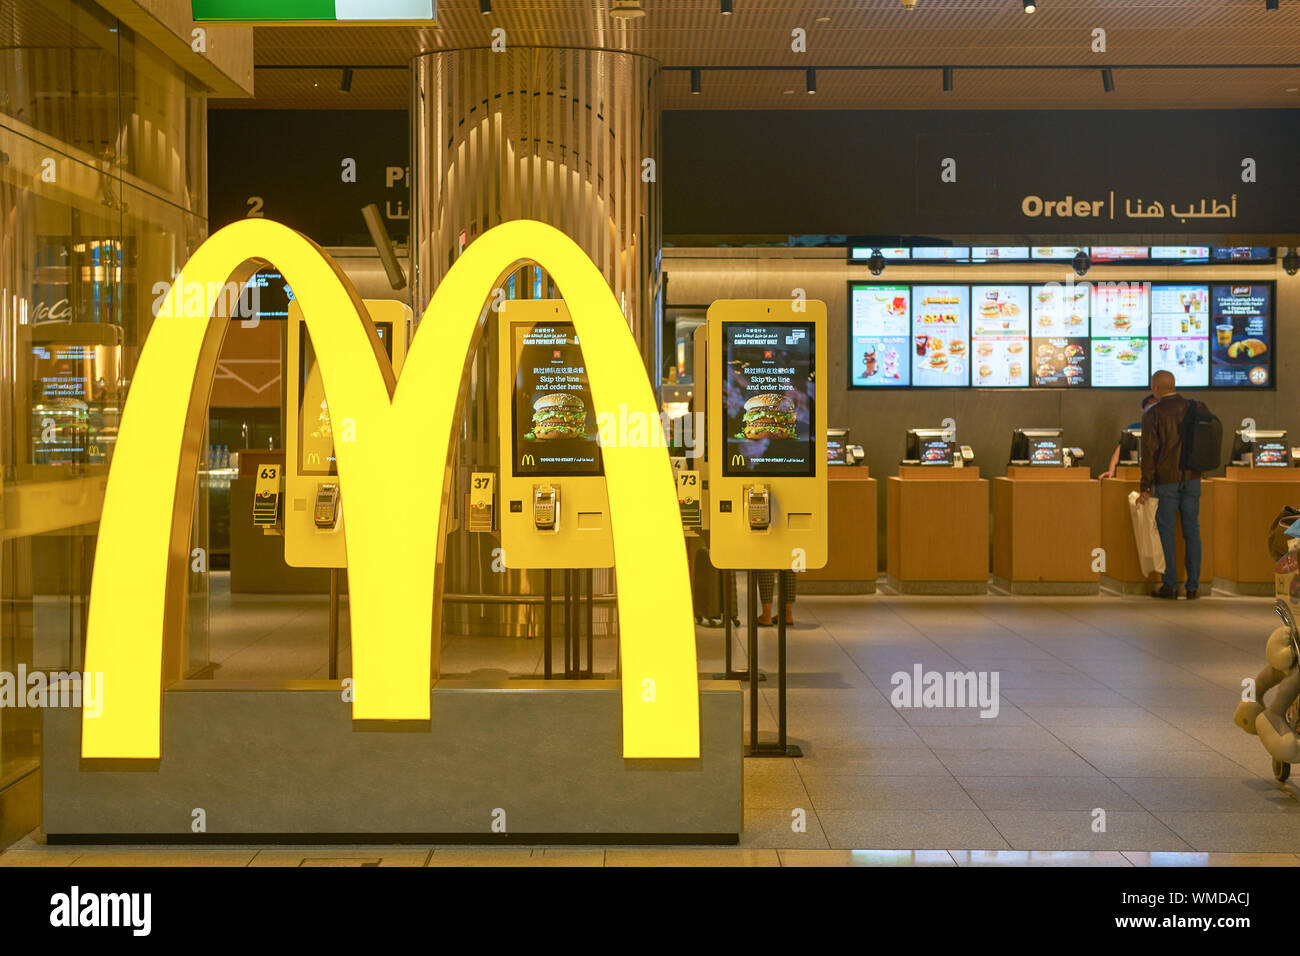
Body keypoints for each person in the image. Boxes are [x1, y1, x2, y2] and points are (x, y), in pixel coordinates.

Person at [1137, 370, 1205, 599]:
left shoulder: (1153, 412)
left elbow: (1149, 451)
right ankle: (1194, 586)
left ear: (1155, 388)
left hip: (1166, 481)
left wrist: (1145, 486)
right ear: (1174, 385)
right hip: (1193, 478)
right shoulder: (1195, 408)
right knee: (1192, 531)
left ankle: (1171, 586)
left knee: (1166, 533)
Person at [1100, 394, 1158, 479]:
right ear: (1143, 410)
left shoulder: (1168, 428)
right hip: (1136, 472)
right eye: (1149, 408)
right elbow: (1119, 450)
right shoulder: (1134, 428)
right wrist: (1111, 471)